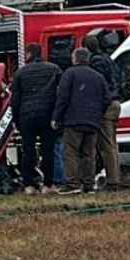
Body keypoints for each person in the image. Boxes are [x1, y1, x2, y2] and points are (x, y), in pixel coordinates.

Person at [52, 47, 111, 194]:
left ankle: (72, 184)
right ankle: (88, 185)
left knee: (70, 151)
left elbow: (62, 97)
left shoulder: (69, 74)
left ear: (75, 59)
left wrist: (56, 117)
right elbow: (106, 99)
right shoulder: (98, 77)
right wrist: (98, 114)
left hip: (73, 120)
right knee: (89, 153)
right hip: (93, 121)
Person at [12, 42, 62, 194]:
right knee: (48, 150)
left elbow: (16, 99)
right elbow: (61, 93)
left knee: (28, 150)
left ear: (28, 54)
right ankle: (48, 184)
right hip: (47, 115)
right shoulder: (54, 69)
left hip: (27, 117)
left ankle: (29, 185)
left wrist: (16, 120)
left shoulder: (20, 73)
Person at [83, 33, 121, 188]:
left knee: (106, 146)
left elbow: (99, 85)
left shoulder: (96, 62)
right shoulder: (108, 58)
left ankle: (113, 181)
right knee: (112, 144)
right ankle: (115, 176)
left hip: (106, 105)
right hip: (115, 102)